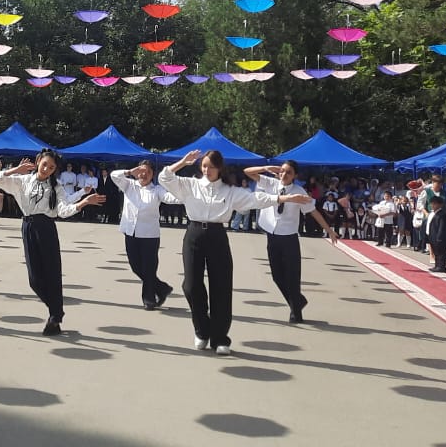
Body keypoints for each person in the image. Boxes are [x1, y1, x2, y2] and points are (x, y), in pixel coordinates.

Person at [159, 149, 311, 355]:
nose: (207, 170)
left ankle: (220, 337)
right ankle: (202, 329)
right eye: (204, 166)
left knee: (221, 286)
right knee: (191, 285)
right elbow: (164, 177)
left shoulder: (230, 191)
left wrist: (283, 199)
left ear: (220, 168)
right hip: (194, 234)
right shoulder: (190, 185)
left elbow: (257, 199)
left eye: (211, 166)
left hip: (217, 236)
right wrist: (183, 162)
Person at [0, 149, 105, 336]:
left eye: (51, 167)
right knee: (34, 280)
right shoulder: (23, 181)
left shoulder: (57, 187)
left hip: (47, 229)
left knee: (52, 274)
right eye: (44, 164)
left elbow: (63, 210)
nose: (47, 169)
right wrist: (15, 170)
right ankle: (57, 311)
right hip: (28, 227)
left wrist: (84, 202)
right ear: (38, 161)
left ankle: (54, 317)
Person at [244, 161, 338, 324]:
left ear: (295, 175)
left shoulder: (299, 192)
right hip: (272, 234)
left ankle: (295, 312)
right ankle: (298, 301)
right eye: (282, 171)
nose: (284, 175)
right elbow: (247, 172)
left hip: (289, 237)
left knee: (292, 276)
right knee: (277, 276)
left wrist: (329, 230)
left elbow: (313, 212)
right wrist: (266, 168)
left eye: (288, 172)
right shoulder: (270, 183)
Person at [111, 160, 182, 310]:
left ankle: (149, 299)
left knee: (149, 268)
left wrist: (186, 196)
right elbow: (114, 175)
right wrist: (130, 171)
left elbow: (170, 198)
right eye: (141, 171)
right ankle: (162, 288)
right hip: (131, 232)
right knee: (136, 266)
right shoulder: (129, 185)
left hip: (150, 235)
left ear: (153, 175)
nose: (144, 174)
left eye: (148, 172)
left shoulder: (156, 190)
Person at [426, 195, 446, 273]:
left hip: (440, 237)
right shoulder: (434, 213)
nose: (432, 205)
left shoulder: (442, 214)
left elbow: (442, 227)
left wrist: (439, 237)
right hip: (433, 236)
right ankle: (437, 265)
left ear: (440, 204)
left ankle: (441, 266)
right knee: (436, 252)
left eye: (435, 204)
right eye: (432, 204)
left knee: (441, 252)